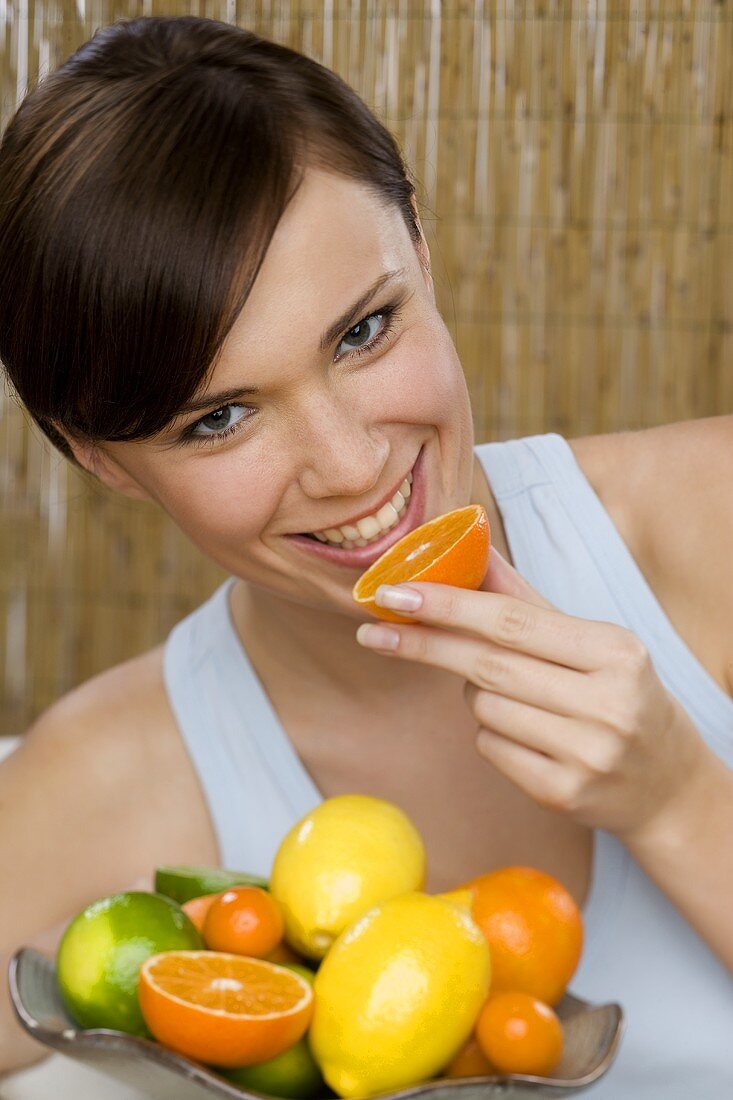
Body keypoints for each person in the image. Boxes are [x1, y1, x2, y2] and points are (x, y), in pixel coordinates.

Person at [0, 15, 731, 1095]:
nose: (348, 467)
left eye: (363, 331)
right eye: (219, 418)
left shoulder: (709, 520)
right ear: (100, 460)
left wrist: (675, 798)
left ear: (420, 250)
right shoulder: (109, 779)